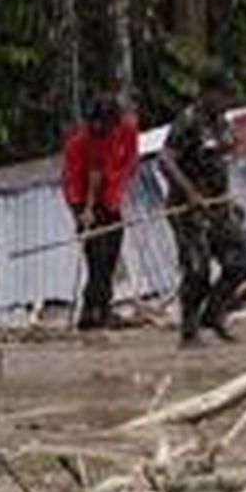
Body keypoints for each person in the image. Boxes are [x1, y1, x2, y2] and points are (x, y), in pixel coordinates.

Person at [160, 70, 246, 348]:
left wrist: (230, 152)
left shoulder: (221, 122)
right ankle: (189, 332)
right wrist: (189, 193)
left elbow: (216, 158)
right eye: (223, 96)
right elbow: (165, 160)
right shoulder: (188, 121)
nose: (227, 102)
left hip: (218, 207)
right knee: (197, 269)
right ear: (207, 93)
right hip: (188, 210)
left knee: (243, 257)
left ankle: (213, 314)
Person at [62, 93, 140, 330]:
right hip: (87, 206)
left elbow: (130, 161)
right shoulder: (77, 144)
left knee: (110, 258)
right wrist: (80, 211)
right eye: (95, 122)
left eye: (104, 123)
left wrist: (112, 179)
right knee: (96, 258)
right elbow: (71, 181)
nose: (99, 127)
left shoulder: (125, 133)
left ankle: (102, 309)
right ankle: (89, 313)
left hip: (111, 202)